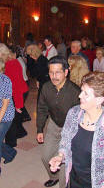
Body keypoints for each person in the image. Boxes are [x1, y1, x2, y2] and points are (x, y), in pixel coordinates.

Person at [49, 72, 104, 188]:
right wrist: (60, 156)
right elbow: (66, 140)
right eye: (81, 90)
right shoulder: (73, 113)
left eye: (86, 94)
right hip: (73, 179)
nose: (80, 96)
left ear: (99, 100)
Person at [37, 56, 81, 188]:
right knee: (45, 156)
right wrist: (39, 129)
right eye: (51, 72)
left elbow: (80, 118)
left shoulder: (75, 92)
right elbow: (42, 108)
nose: (53, 76)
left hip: (70, 129)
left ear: (66, 72)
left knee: (63, 163)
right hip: (54, 123)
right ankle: (53, 177)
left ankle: (63, 184)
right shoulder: (46, 87)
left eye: (58, 72)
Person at [0, 43, 28, 148]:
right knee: (14, 118)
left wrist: (18, 104)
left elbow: (16, 86)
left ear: (1, 54)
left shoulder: (12, 64)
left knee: (9, 120)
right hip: (11, 93)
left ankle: (10, 144)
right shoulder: (4, 63)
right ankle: (21, 132)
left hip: (17, 93)